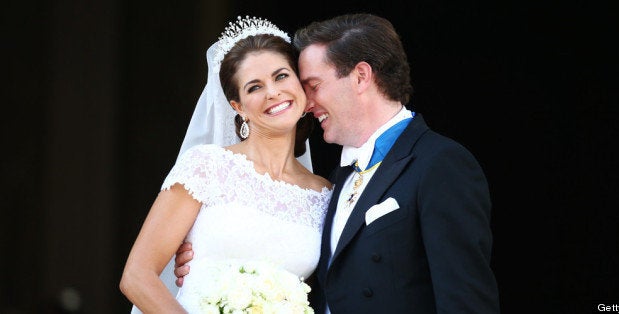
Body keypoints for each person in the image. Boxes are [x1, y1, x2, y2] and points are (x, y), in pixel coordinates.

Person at [175, 13, 500, 313]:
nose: (306, 104)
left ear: (360, 76)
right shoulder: (335, 183)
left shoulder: (439, 165)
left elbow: (465, 303)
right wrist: (212, 259)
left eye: (313, 86)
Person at [119, 16, 332, 313]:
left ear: (301, 84)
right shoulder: (207, 167)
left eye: (281, 76)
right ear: (239, 108)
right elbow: (137, 277)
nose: (272, 92)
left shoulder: (325, 195)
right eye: (254, 87)